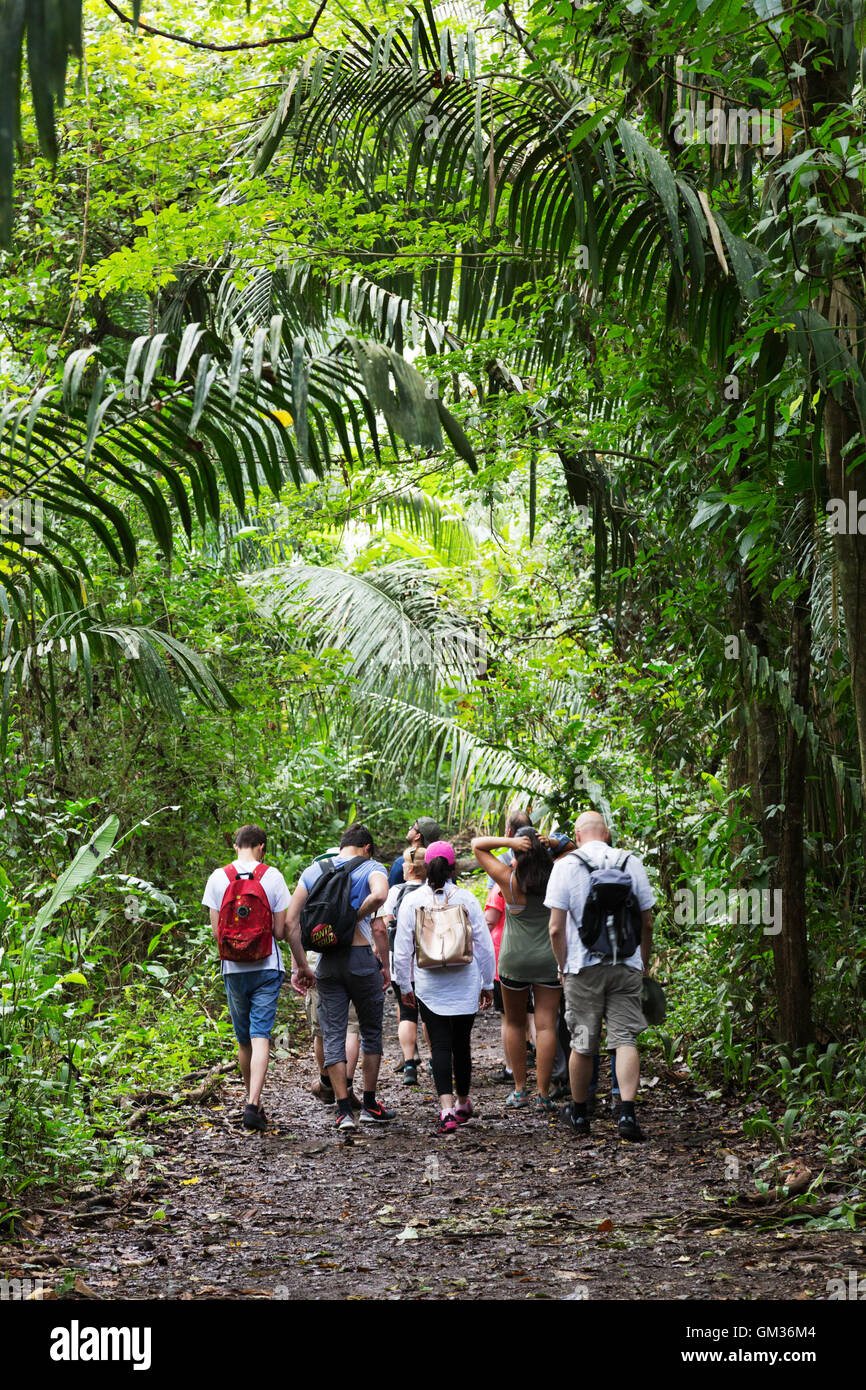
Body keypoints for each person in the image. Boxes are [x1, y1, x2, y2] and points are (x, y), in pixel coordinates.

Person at [545, 811, 655, 1142]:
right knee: (625, 1039)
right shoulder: (631, 862)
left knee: (582, 1041)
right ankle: (626, 1115)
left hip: (582, 967)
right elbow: (647, 921)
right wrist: (643, 962)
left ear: (577, 836)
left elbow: (554, 928)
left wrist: (562, 967)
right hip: (626, 964)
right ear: (606, 833)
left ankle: (579, 1115)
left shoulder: (565, 865)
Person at [285, 823, 393, 1134]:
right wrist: (355, 917)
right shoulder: (371, 866)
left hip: (327, 963)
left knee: (332, 1033)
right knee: (370, 1031)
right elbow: (380, 895)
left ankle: (343, 1111)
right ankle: (371, 1105)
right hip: (360, 960)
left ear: (341, 844)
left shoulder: (314, 871)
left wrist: (302, 965)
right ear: (367, 847)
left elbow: (291, 923)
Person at [393, 840, 495, 1134]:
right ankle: (464, 1102)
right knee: (461, 1045)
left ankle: (446, 1110)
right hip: (465, 982)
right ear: (454, 868)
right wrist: (487, 982)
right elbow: (484, 946)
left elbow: (402, 949)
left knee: (439, 1045)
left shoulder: (413, 901)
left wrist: (404, 985)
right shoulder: (466, 898)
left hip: (429, 985)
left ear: (425, 867)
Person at [202, 824, 290, 1132]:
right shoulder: (273, 877)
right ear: (262, 847)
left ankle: (251, 1104)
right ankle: (254, 1103)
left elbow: (217, 933)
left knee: (244, 1041)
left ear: (236, 846)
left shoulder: (218, 877)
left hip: (233, 970)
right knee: (260, 1035)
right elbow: (280, 931)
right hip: (267, 967)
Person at [472, 829, 562, 1113]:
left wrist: (509, 842)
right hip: (549, 960)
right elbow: (581, 851)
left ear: (517, 852)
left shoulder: (509, 881)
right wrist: (554, 843)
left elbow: (477, 846)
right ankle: (544, 1094)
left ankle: (520, 1090)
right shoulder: (557, 877)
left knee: (514, 1023)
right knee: (546, 1024)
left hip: (514, 961)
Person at [376, 845, 428, 1085]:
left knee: (406, 1011)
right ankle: (436, 1060)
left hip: (402, 961)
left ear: (407, 868)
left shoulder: (396, 891)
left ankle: (409, 1065)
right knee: (429, 1014)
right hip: (430, 960)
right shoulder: (432, 891)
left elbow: (386, 925)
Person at [388, 817, 442, 886]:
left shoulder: (403, 861)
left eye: (412, 827)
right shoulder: (438, 862)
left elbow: (391, 891)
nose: (409, 828)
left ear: (417, 836)